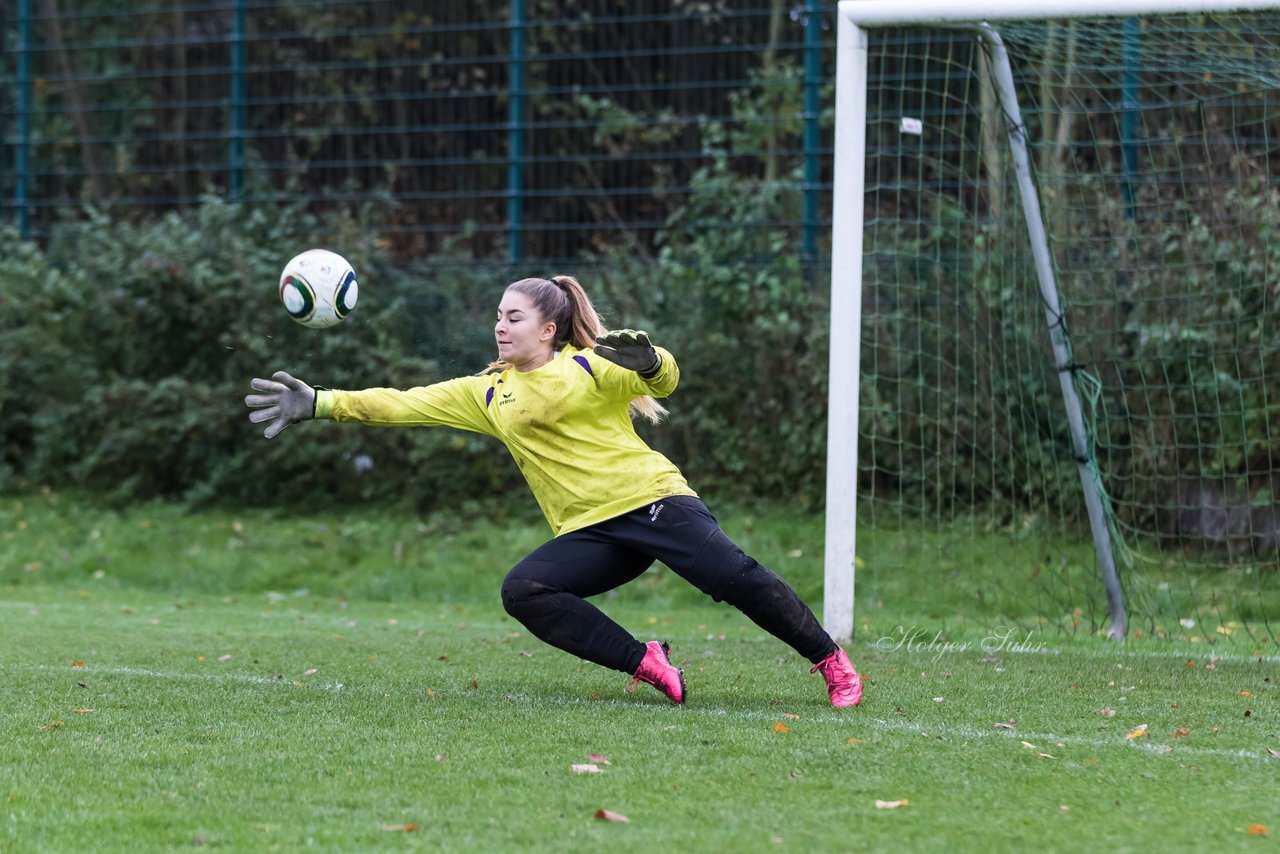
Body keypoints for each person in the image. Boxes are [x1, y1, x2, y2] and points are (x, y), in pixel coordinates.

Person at [244, 275, 862, 707]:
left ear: (549, 328)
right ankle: (647, 661)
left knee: (735, 578)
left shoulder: (591, 367)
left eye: (512, 317)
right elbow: (402, 403)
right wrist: (321, 402)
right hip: (590, 531)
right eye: (496, 317)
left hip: (653, 501)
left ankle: (830, 662)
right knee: (526, 590)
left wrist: (650, 363)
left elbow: (666, 380)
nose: (499, 327)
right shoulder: (489, 392)